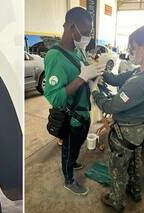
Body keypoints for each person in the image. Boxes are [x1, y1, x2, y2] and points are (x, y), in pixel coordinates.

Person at [89, 25, 144, 211]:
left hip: (125, 134)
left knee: (118, 168)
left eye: (133, 47)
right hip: (139, 131)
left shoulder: (140, 82)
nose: (131, 52)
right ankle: (135, 191)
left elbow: (110, 106)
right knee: (135, 164)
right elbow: (116, 80)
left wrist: (95, 90)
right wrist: (100, 72)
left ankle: (117, 200)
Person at [43, 7, 104, 195]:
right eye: (85, 33)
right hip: (72, 117)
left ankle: (73, 160)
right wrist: (81, 78)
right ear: (71, 27)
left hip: (84, 112)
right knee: (69, 148)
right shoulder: (55, 56)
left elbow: (84, 76)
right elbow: (54, 97)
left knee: (77, 144)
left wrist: (93, 77)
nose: (87, 38)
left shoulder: (79, 52)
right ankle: (68, 180)